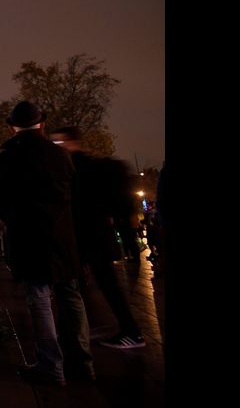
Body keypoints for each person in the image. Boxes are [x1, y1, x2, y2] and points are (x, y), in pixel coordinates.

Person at [0, 102, 94, 385]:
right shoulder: (61, 155)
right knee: (71, 297)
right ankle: (83, 363)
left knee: (39, 299)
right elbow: (76, 197)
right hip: (63, 237)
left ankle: (52, 365)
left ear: (12, 127)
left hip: (29, 238)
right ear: (42, 124)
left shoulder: (6, 157)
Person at [49, 126, 145, 350]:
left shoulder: (79, 168)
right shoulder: (82, 166)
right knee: (96, 283)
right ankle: (96, 329)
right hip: (92, 236)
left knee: (101, 284)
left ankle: (130, 331)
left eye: (59, 143)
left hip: (89, 236)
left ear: (71, 143)